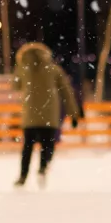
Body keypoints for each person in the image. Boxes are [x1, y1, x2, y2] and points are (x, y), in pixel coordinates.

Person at [13, 42, 80, 188]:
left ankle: (22, 176)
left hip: (30, 114)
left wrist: (19, 65)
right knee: (47, 145)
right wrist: (73, 114)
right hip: (49, 114)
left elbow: (15, 85)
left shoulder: (24, 69)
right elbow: (66, 92)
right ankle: (43, 169)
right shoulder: (54, 69)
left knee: (27, 147)